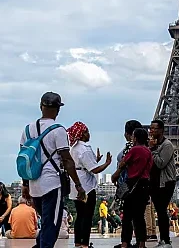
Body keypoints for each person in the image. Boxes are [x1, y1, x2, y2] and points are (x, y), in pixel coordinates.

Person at [20, 92, 86, 248]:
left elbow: (24, 159)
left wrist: (25, 184)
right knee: (52, 225)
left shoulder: (28, 129)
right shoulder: (58, 130)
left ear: (40, 107)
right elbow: (67, 160)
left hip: (33, 184)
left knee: (47, 222)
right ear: (58, 110)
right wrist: (78, 184)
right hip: (51, 184)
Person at [67, 121, 112, 248]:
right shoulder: (85, 149)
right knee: (87, 216)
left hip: (75, 183)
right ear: (82, 134)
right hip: (86, 186)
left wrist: (95, 161)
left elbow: (83, 165)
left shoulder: (74, 148)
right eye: (87, 132)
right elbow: (94, 169)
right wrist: (107, 163)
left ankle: (77, 242)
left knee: (80, 215)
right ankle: (85, 243)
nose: (89, 134)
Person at [111, 128, 153, 248]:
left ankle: (125, 243)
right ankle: (141, 243)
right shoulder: (148, 151)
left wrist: (116, 174)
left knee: (128, 216)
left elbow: (123, 163)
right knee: (140, 216)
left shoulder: (134, 150)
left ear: (135, 138)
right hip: (144, 185)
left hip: (132, 184)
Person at [149, 119, 176, 248]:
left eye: (154, 128)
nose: (151, 131)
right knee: (160, 211)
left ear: (161, 130)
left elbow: (161, 163)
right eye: (151, 128)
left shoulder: (167, 145)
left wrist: (152, 149)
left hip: (166, 182)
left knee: (161, 210)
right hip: (155, 182)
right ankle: (163, 240)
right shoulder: (151, 145)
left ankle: (166, 240)